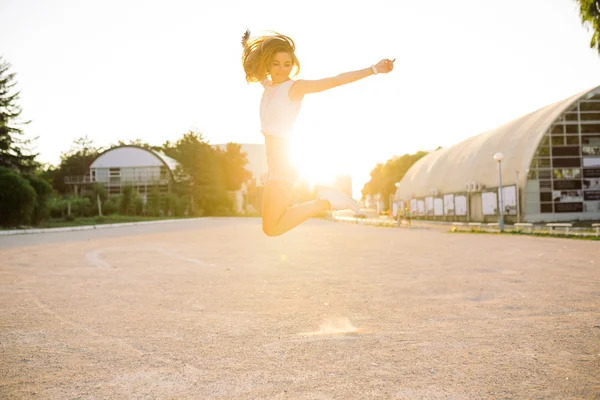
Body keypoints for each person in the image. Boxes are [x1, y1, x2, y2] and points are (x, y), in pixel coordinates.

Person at [241, 30, 395, 237]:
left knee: (272, 228)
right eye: (276, 63)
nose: (282, 69)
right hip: (276, 164)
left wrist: (374, 69)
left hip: (283, 164)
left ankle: (325, 201)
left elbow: (336, 80)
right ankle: (325, 201)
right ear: (268, 63)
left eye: (287, 64)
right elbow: (253, 64)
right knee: (271, 227)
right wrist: (247, 46)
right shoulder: (268, 85)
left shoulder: (295, 87)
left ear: (293, 65)